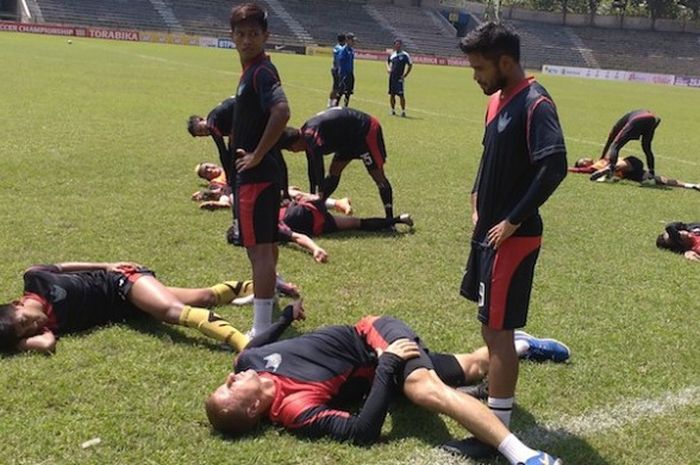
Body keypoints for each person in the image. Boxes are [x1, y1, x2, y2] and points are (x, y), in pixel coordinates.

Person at [205, 312, 564, 465]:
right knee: (469, 368)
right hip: (383, 359)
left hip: (372, 332)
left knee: (422, 388)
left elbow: (254, 346)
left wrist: (285, 316)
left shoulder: (246, 363)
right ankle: (520, 345)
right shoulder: (293, 408)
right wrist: (389, 363)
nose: (231, 379)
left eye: (228, 381)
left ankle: (523, 455)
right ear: (252, 410)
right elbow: (362, 432)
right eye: (231, 389)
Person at [456, 22, 568, 459]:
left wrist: (514, 220)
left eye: (480, 68)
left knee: (499, 332)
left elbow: (553, 165)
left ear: (506, 63)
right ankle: (496, 400)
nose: (476, 76)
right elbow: (491, 157)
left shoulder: (536, 103)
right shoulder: (497, 101)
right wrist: (476, 198)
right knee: (489, 324)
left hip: (512, 239)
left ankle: (495, 430)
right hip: (488, 231)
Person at [0, 261, 258, 354]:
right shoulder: (51, 328)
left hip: (120, 281)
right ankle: (262, 285)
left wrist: (106, 265)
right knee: (205, 297)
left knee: (169, 311)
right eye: (28, 331)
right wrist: (18, 342)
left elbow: (65, 267)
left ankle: (244, 346)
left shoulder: (34, 277)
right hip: (128, 307)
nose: (35, 325)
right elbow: (46, 345)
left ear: (16, 304)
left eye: (25, 320)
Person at [229, 3, 291, 338]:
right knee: (264, 245)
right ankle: (268, 290)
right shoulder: (253, 70)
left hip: (257, 175)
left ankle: (261, 327)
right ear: (232, 36)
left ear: (266, 35)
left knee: (258, 250)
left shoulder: (261, 72)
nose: (247, 40)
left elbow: (282, 111)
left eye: (254, 34)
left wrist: (255, 155)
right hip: (264, 175)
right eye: (241, 34)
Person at [278, 107, 396, 220]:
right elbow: (312, 169)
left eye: (291, 149)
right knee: (334, 171)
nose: (294, 152)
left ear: (294, 143)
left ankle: (390, 219)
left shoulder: (310, 137)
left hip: (365, 130)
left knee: (377, 176)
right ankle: (319, 207)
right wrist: (312, 194)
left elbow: (319, 166)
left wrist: (319, 194)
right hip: (347, 139)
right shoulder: (306, 135)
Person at [278, 197, 414, 263]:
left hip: (313, 221)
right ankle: (398, 219)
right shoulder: (270, 220)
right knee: (357, 223)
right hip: (308, 211)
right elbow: (297, 237)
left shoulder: (270, 227)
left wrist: (315, 248)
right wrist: (315, 248)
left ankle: (399, 219)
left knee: (357, 223)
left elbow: (297, 237)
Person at [592, 110, 660, 181]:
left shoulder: (626, 118)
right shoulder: (648, 114)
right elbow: (658, 119)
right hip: (651, 121)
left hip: (636, 121)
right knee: (647, 149)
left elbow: (612, 136)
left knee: (615, 146)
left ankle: (611, 168)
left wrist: (603, 156)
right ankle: (651, 173)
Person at [187, 97, 237, 186]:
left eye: (200, 129)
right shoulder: (213, 125)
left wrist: (229, 177)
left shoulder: (212, 123)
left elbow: (222, 151)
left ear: (201, 119)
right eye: (202, 134)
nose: (204, 133)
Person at [570, 156, 699, 190]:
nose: (586, 158)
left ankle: (611, 169)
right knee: (658, 180)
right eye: (583, 160)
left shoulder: (600, 159)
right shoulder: (593, 168)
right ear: (584, 165)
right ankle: (691, 185)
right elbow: (579, 170)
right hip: (631, 174)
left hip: (630, 163)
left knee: (618, 165)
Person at [386, 39, 413, 117]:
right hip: (392, 77)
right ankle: (393, 110)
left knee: (401, 95)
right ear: (394, 45)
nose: (398, 46)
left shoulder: (405, 55)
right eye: (396, 44)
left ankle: (403, 111)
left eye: (399, 44)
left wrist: (405, 75)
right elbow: (387, 61)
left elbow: (410, 65)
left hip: (399, 78)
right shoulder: (392, 54)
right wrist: (388, 68)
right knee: (392, 94)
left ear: (401, 45)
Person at [336, 32, 356, 107]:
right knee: (341, 91)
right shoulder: (343, 50)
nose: (354, 42)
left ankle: (345, 106)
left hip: (350, 73)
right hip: (344, 74)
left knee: (348, 92)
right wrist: (342, 75)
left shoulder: (351, 50)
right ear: (347, 40)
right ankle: (335, 106)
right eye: (352, 40)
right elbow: (341, 63)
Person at [328, 33, 346, 107]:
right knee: (337, 88)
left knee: (337, 87)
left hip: (335, 69)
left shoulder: (337, 47)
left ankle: (332, 102)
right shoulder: (340, 48)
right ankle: (332, 103)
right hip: (337, 70)